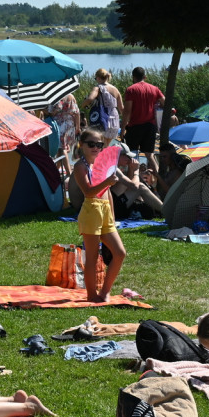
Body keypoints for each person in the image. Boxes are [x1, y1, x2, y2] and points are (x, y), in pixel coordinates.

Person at [72, 128, 125, 303]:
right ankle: (91, 294)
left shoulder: (101, 165)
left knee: (119, 253)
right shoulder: (80, 166)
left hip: (105, 210)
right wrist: (107, 181)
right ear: (82, 144)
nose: (96, 148)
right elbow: (88, 192)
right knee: (93, 257)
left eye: (99, 145)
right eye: (91, 144)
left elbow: (107, 192)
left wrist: (113, 216)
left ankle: (105, 291)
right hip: (91, 210)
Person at [120, 67, 165, 173]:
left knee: (133, 153)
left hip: (135, 126)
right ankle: (158, 179)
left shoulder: (131, 90)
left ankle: (135, 178)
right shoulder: (155, 89)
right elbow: (165, 103)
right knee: (150, 154)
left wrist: (122, 129)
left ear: (133, 77)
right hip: (150, 126)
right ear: (145, 77)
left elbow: (127, 111)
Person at [110, 143, 163, 219]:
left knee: (127, 184)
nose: (129, 159)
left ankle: (162, 210)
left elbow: (129, 183)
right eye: (127, 156)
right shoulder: (113, 168)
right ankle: (166, 211)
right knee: (140, 186)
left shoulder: (111, 166)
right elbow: (134, 186)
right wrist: (136, 171)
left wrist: (131, 169)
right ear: (118, 155)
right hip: (113, 209)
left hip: (112, 205)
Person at [81, 68, 122, 146]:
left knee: (102, 145)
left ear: (98, 78)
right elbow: (121, 108)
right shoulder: (115, 89)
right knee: (105, 145)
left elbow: (90, 98)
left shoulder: (98, 88)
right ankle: (106, 157)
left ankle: (103, 158)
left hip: (103, 119)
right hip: (114, 120)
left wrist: (83, 104)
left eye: (95, 78)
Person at [48, 93, 80, 175]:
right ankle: (54, 171)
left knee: (62, 148)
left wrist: (46, 110)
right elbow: (77, 112)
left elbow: (53, 111)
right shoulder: (71, 96)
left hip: (60, 124)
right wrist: (77, 127)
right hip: (70, 123)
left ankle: (69, 173)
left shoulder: (56, 96)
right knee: (60, 149)